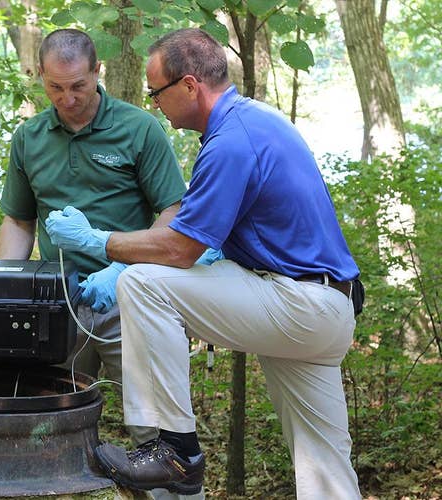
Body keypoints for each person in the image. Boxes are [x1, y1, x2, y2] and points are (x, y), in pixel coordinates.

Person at [45, 28, 363, 499]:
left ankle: (173, 448)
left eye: (157, 92)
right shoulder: (253, 122)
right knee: (325, 468)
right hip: (326, 307)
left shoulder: (232, 141)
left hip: (297, 303)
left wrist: (101, 243)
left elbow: (180, 250)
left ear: (190, 86)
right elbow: (205, 239)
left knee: (144, 284)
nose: (154, 103)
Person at [0, 28, 187, 445]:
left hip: (131, 293)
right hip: (57, 302)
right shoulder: (28, 139)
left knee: (152, 420)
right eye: (55, 87)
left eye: (78, 85)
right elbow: (19, 220)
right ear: (40, 77)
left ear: (97, 72)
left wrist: (123, 268)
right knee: (48, 415)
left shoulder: (138, 129)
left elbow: (174, 210)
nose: (67, 98)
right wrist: (9, 285)